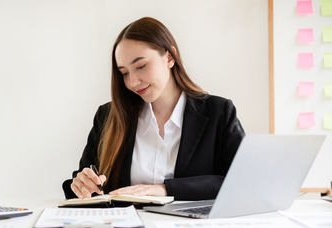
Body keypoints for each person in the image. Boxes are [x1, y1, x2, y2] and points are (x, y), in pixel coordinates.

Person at [62, 17, 245, 201]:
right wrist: (81, 184)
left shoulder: (218, 112)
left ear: (170, 57)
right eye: (124, 73)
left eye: (141, 66)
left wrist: (165, 189)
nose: (132, 82)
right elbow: (85, 189)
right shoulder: (108, 116)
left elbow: (243, 181)